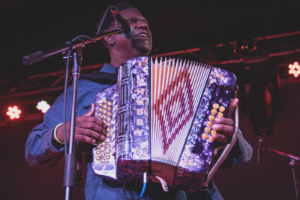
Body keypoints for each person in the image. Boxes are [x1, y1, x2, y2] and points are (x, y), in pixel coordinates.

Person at [25, 3, 253, 200]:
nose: (143, 26)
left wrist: (226, 137)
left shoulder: (184, 82)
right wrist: (61, 133)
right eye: (132, 22)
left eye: (146, 23)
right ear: (109, 37)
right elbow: (32, 148)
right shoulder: (84, 88)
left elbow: (242, 154)